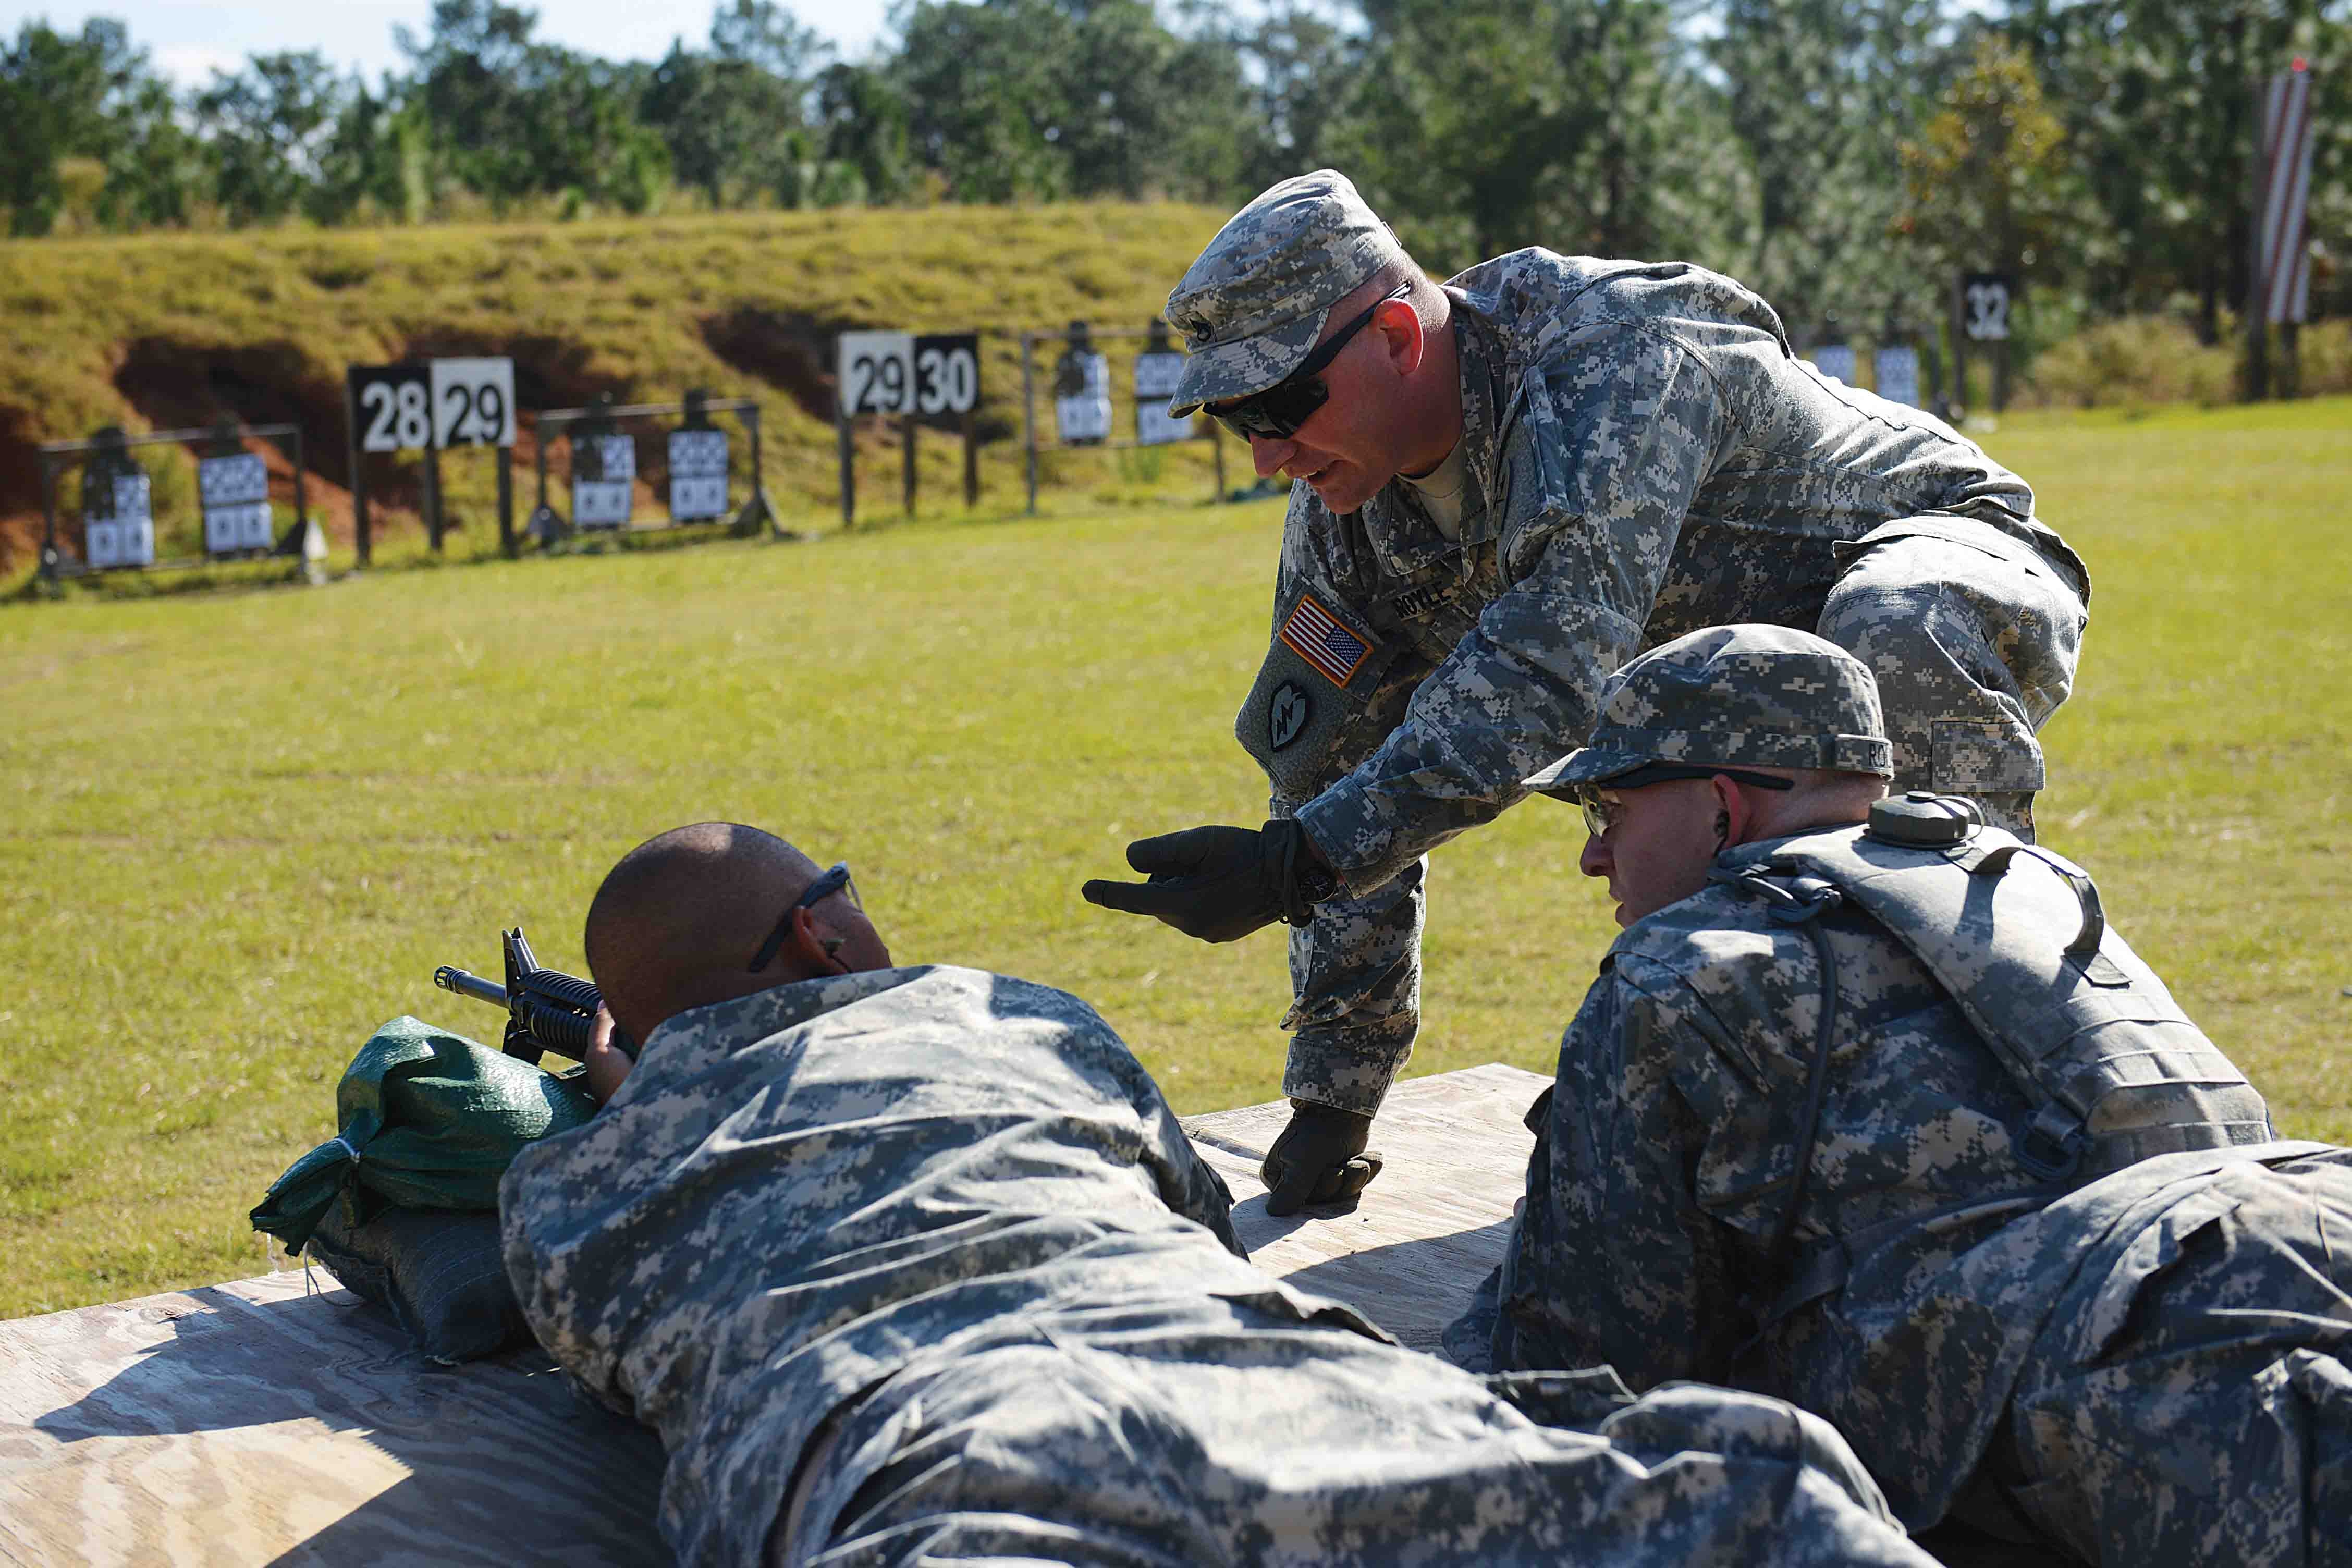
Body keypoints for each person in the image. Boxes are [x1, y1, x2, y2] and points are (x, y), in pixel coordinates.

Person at [502, 820, 1937, 1568]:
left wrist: (638, 1093)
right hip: (1295, 1408)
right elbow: (1196, 1219)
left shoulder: (572, 1195)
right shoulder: (1010, 1018)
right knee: (1762, 1501)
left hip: (942, 1471)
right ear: (824, 935)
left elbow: (605, 1308)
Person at [1081, 168, 2093, 1216]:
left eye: (1285, 403)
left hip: (1933, 551)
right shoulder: (1346, 516)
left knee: (1892, 636)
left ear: (1393, 333)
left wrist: (1303, 864)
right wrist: (1335, 1095)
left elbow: (1544, 680)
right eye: (1235, 417)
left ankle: (2023, 1075)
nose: (1266, 454)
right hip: (1722, 688)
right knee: (1652, 791)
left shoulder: (1610, 364)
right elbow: (1337, 770)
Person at [1451, 624, 2352, 1565]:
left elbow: (1584, 1377)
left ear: (1724, 806)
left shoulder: (1682, 971)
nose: (1596, 858)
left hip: (2153, 1370)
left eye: (1609, 810)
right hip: (2310, 1209)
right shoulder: (2024, 885)